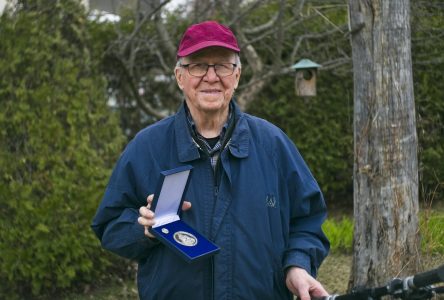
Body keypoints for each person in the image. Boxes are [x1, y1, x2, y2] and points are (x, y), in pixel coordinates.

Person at [92, 20, 330, 300]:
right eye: (198, 65)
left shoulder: (272, 144)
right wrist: (143, 229)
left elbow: (307, 221)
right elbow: (109, 225)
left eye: (222, 65)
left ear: (237, 75)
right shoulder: (147, 147)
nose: (211, 76)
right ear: (180, 77)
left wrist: (298, 266)